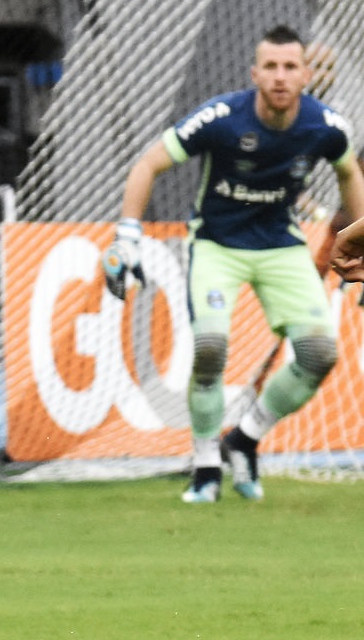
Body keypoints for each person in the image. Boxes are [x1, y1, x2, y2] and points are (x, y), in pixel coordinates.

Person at [101, 25, 361, 503]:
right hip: (217, 245)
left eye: (290, 67)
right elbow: (147, 164)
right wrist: (127, 234)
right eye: (271, 67)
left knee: (320, 354)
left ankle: (243, 440)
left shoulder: (326, 126)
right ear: (254, 74)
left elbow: (350, 174)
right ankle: (204, 468)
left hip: (280, 247)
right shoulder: (221, 117)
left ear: (305, 75)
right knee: (210, 348)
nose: (280, 77)